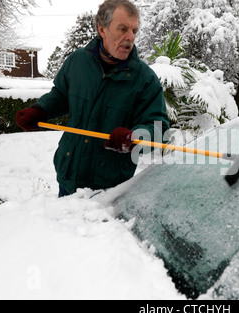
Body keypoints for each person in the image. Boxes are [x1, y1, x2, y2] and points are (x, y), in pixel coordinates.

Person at [16, 0, 170, 197]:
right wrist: (40, 110)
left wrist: (135, 138)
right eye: (123, 28)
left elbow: (158, 128)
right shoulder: (77, 61)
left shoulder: (145, 79)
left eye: (134, 31)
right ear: (102, 29)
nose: (130, 37)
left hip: (111, 190)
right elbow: (61, 95)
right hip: (68, 176)